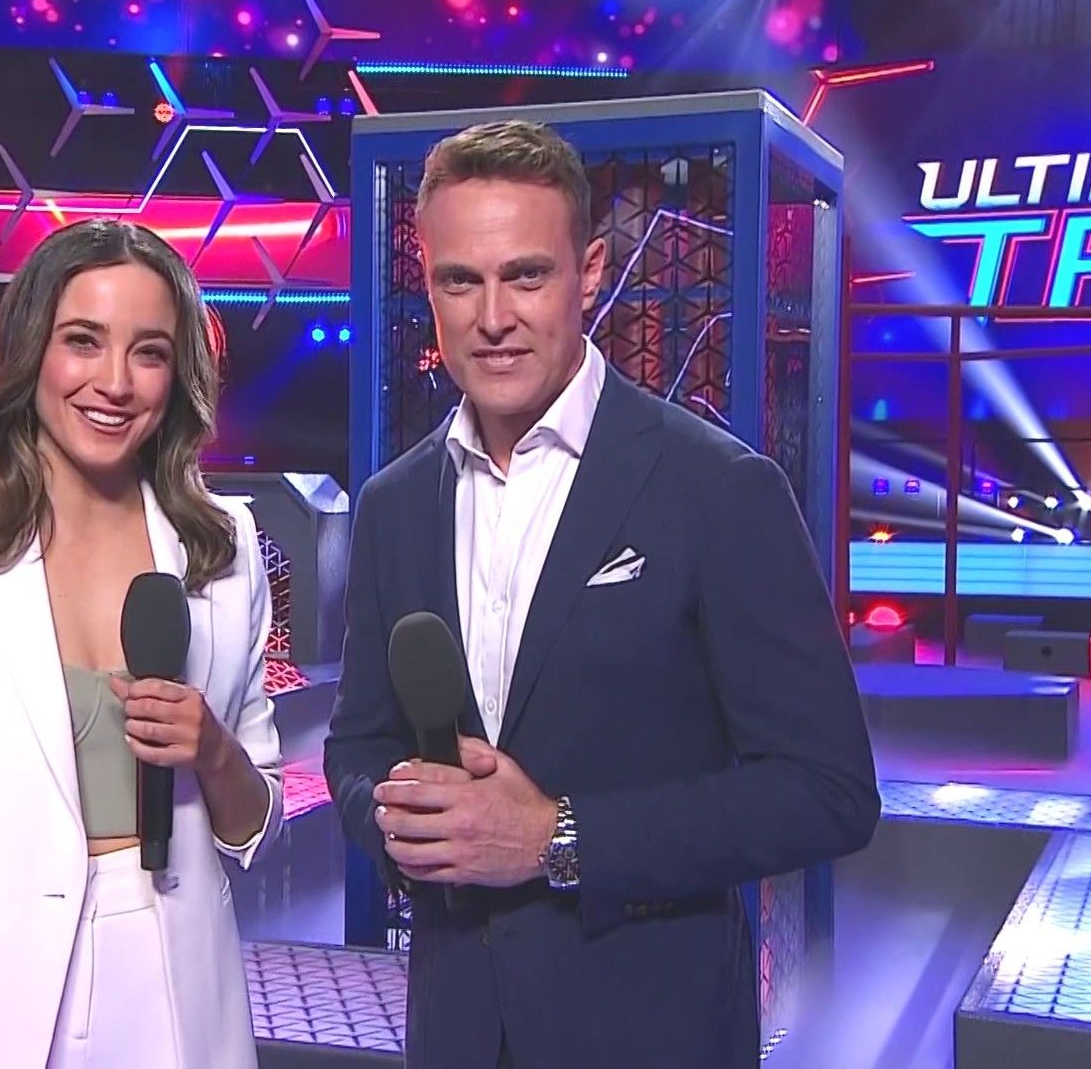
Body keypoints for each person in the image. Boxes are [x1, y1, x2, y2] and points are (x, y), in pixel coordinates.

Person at [322, 120, 879, 1069]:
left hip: (648, 1034)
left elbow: (828, 794)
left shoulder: (717, 490)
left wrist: (558, 838)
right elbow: (357, 745)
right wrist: (397, 814)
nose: (492, 316)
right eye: (460, 281)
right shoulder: (394, 504)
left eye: (525, 276)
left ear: (588, 274)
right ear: (430, 289)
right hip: (457, 1033)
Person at [0, 218, 284, 1069]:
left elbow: (255, 829)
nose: (115, 382)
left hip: (179, 1008)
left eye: (148, 352)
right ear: (32, 351)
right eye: (83, 341)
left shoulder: (226, 549)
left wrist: (213, 750)